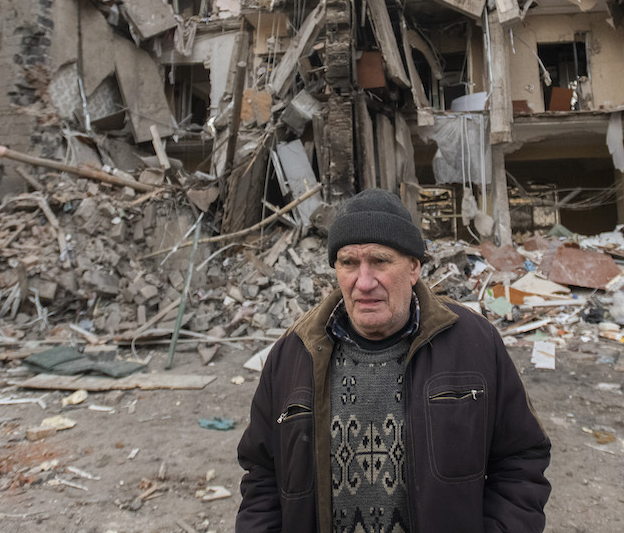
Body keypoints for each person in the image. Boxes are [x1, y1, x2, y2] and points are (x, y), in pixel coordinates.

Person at [236, 188, 551, 533]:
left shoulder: (473, 344)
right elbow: (262, 476)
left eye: (380, 261)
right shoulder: (293, 353)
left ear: (414, 267)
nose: (364, 281)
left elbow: (520, 459)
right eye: (348, 263)